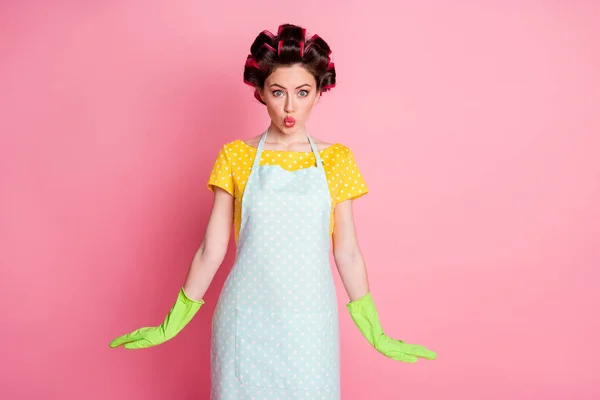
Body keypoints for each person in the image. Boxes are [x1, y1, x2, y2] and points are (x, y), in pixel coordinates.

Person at [110, 23, 437, 400]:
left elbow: (347, 252)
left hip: (310, 325)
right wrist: (172, 322)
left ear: (318, 94)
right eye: (278, 92)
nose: (289, 106)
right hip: (245, 321)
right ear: (261, 93)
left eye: (302, 92)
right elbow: (211, 250)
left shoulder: (337, 160)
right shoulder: (235, 156)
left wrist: (373, 328)